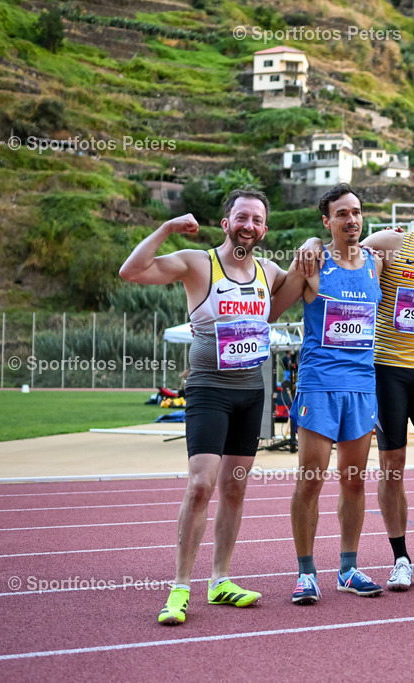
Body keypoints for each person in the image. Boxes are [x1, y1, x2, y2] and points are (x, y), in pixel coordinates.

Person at [119, 188, 305, 625]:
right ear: (226, 223)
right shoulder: (198, 262)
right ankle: (180, 587)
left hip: (250, 394)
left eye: (258, 220)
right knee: (201, 484)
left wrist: (337, 249)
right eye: (242, 217)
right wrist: (166, 228)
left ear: (264, 229)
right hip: (208, 390)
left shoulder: (269, 270)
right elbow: (132, 271)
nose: (250, 226)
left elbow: (304, 280)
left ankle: (220, 580)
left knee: (235, 487)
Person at [301, 188, 414, 591]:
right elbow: (344, 251)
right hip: (385, 371)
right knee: (393, 465)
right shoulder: (388, 242)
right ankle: (399, 558)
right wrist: (312, 243)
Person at [288, 185, 386, 604]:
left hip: (362, 386)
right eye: (341, 214)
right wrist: (308, 246)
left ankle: (348, 568)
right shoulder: (312, 263)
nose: (351, 220)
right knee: (311, 478)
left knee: (354, 481)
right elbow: (273, 308)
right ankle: (306, 572)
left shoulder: (376, 264)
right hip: (320, 383)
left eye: (357, 213)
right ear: (326, 221)